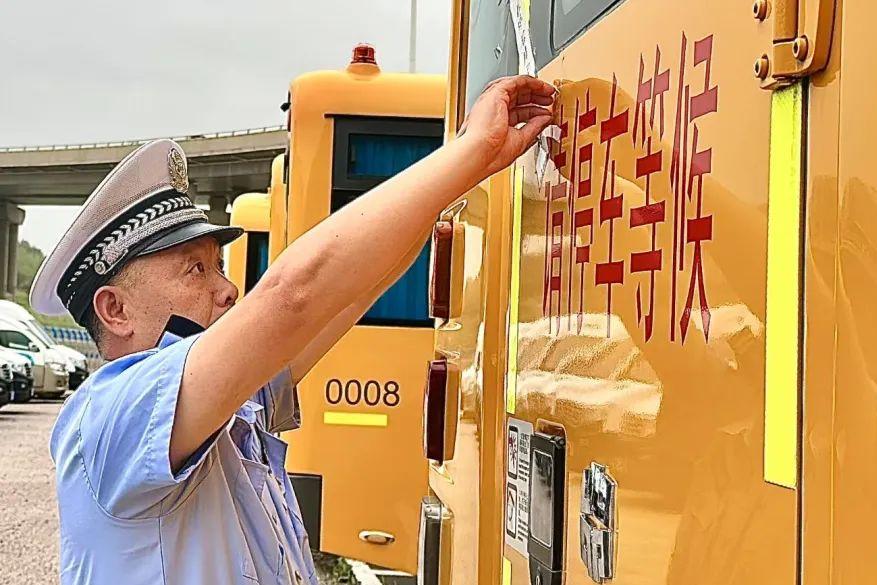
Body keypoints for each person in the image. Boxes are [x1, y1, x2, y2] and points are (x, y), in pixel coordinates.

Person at [30, 75, 556, 585]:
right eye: (195, 270)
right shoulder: (114, 413)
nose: (227, 289)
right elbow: (291, 295)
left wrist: (455, 176)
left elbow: (352, 291)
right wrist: (470, 153)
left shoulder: (221, 408)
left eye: (219, 266)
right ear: (115, 310)